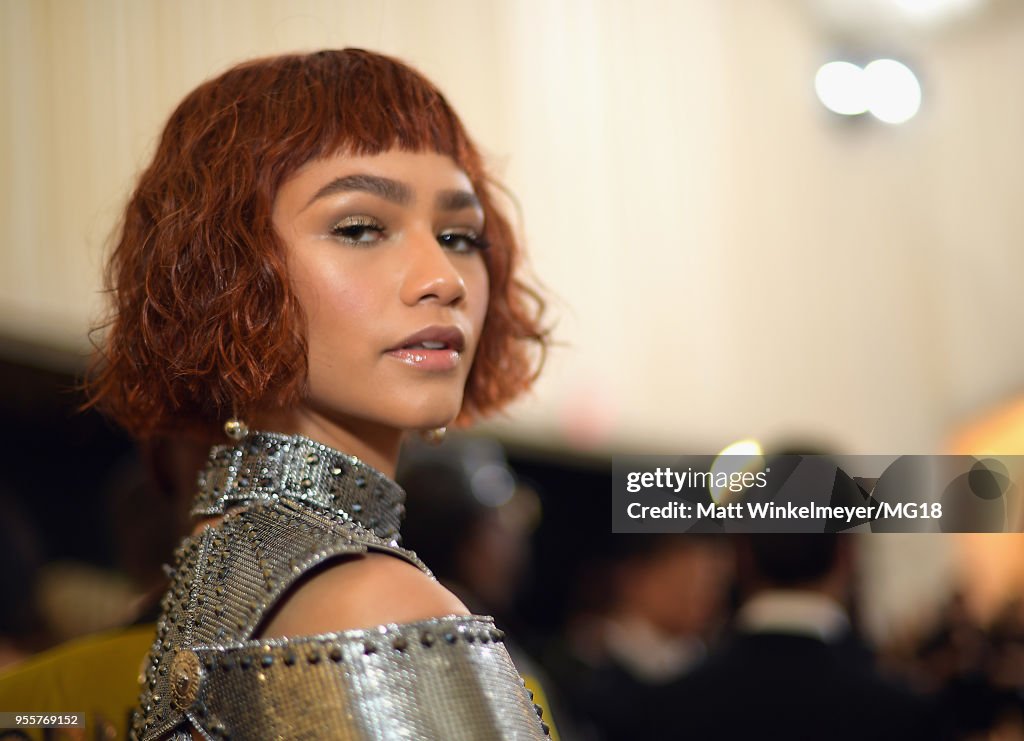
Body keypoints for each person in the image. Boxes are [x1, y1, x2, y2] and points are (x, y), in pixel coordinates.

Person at [85, 48, 548, 740]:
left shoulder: (222, 571)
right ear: (228, 269)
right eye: (360, 228)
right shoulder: (378, 608)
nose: (444, 277)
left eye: (459, 235)